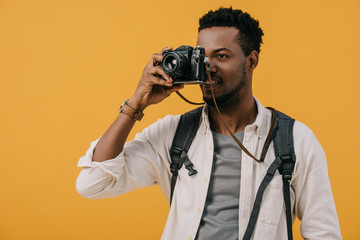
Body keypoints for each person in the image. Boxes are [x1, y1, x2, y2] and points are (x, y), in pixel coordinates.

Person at [76, 7, 342, 240]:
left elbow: (323, 233)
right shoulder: (175, 134)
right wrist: (137, 103)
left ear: (251, 61)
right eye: (202, 56)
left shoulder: (295, 140)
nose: (208, 66)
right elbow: (92, 184)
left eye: (222, 56)